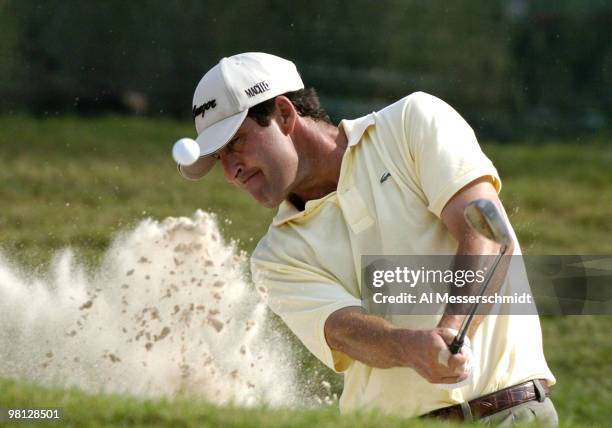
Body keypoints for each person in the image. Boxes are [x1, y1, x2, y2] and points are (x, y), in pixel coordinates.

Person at [176, 52, 557, 424]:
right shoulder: (274, 257)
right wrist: (411, 348)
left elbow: (485, 232)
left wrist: (454, 330)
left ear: (285, 114)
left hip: (511, 412)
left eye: (236, 143)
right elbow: (343, 330)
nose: (231, 171)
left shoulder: (412, 122)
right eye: (219, 159)